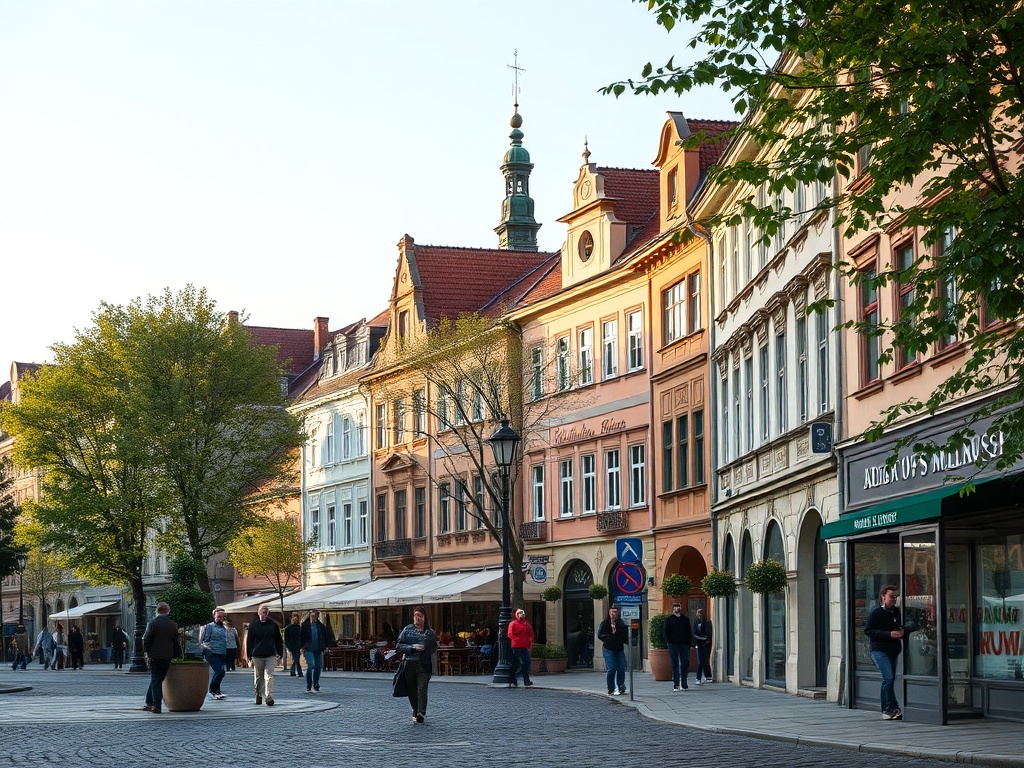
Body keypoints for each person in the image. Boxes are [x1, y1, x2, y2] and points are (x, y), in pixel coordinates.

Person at [865, 584, 904, 721]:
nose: (894, 599)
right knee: (888, 678)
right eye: (891, 597)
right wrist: (888, 634)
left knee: (888, 679)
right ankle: (892, 707)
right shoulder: (876, 613)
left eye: (895, 597)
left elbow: (901, 626)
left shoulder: (897, 612)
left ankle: (886, 710)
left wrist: (902, 631)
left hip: (893, 650)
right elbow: (868, 631)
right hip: (879, 650)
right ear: (883, 597)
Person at [395, 605, 437, 723]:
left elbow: (434, 647)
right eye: (415, 616)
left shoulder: (429, 632)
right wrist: (411, 647)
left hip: (424, 665)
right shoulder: (407, 630)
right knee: (412, 690)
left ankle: (421, 712)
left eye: (420, 616)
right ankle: (415, 710)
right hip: (409, 664)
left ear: (424, 618)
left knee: (421, 688)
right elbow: (398, 646)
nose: (417, 618)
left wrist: (426, 648)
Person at [142, 601, 180, 714]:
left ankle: (156, 706)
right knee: (157, 679)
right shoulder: (172, 624)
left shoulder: (153, 623)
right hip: (167, 655)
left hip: (155, 655)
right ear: (168, 611)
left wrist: (146, 652)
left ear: (157, 611)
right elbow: (175, 641)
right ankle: (149, 703)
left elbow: (147, 639)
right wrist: (177, 654)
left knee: (156, 680)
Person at [246, 604, 283, 706]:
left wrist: (279, 654)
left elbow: (278, 641)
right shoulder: (253, 626)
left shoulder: (273, 625)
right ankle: (258, 694)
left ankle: (268, 696)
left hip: (270, 655)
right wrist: (249, 656)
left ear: (268, 613)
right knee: (258, 678)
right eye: (263, 611)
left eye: (266, 611)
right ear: (258, 612)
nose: (264, 613)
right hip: (257, 655)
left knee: (269, 675)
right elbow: (249, 642)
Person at [198, 606, 229, 700]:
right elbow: (203, 640)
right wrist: (206, 647)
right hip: (211, 652)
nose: (220, 618)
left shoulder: (224, 627)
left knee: (220, 672)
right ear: (214, 616)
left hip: (222, 652)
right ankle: (212, 690)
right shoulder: (209, 626)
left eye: (222, 616)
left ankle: (217, 691)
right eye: (218, 616)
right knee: (220, 671)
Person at [299, 609, 334, 693]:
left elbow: (325, 636)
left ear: (318, 616)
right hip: (308, 649)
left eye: (315, 616)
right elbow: (301, 637)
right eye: (312, 616)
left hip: (318, 648)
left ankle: (316, 684)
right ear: (310, 615)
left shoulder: (320, 626)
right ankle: (309, 684)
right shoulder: (305, 625)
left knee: (318, 666)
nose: (313, 618)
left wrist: (326, 646)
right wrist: (302, 647)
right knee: (311, 665)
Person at [597, 606, 629, 696]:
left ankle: (621, 686)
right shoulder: (605, 623)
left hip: (619, 648)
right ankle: (611, 687)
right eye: (611, 612)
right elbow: (599, 634)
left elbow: (625, 634)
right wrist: (607, 638)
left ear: (617, 613)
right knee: (612, 668)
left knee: (621, 668)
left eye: (615, 612)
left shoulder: (621, 623)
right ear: (609, 613)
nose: (613, 614)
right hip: (608, 648)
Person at [663, 602, 692, 691]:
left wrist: (689, 643)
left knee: (685, 664)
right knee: (675, 664)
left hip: (684, 644)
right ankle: (676, 684)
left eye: (678, 606)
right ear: (673, 609)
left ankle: (684, 683)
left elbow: (689, 631)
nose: (677, 608)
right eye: (675, 607)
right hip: (673, 644)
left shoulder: (685, 619)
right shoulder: (669, 619)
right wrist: (668, 642)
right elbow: (666, 632)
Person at [507, 608, 534, 688]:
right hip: (516, 646)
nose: (522, 614)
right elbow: (510, 634)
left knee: (526, 663)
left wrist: (529, 641)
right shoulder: (513, 623)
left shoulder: (525, 623)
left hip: (523, 646)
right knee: (520, 663)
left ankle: (525, 680)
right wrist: (516, 639)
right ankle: (514, 679)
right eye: (520, 613)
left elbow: (530, 633)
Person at [692, 608, 713, 684]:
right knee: (700, 661)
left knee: (705, 660)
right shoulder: (696, 623)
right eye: (698, 613)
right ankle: (698, 678)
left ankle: (708, 676)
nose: (699, 614)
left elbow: (709, 633)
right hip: (699, 644)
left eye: (700, 613)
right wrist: (696, 643)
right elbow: (694, 633)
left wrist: (707, 640)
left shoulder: (707, 622)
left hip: (706, 644)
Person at [284, 613, 303, 677]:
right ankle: (298, 672)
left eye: (296, 619)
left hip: (298, 646)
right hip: (291, 646)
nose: (295, 620)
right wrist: (287, 645)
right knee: (295, 659)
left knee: (296, 659)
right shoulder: (288, 628)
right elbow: (286, 638)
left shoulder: (299, 628)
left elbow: (302, 637)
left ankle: (294, 672)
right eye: (294, 619)